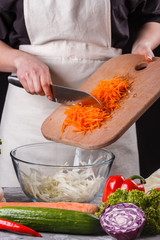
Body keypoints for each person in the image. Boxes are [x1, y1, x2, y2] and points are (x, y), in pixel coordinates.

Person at [0, 0, 160, 187]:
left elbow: (153, 15)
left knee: (112, 207)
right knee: (23, 205)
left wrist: (143, 45)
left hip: (110, 109)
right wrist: (18, 60)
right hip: (30, 115)